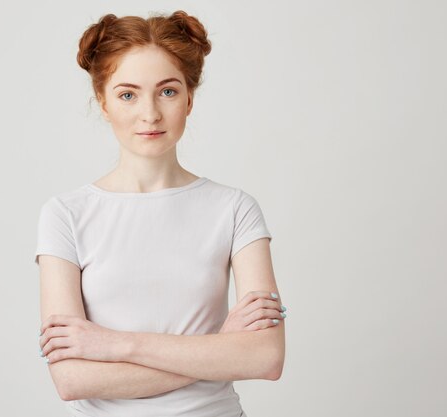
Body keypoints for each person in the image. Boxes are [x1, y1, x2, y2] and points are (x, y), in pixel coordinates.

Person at [34, 10, 286, 417]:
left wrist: (116, 345)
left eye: (167, 91)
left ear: (189, 98)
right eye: (128, 94)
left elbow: (265, 359)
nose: (149, 113)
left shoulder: (235, 209)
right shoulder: (65, 215)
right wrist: (220, 348)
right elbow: (73, 380)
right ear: (103, 102)